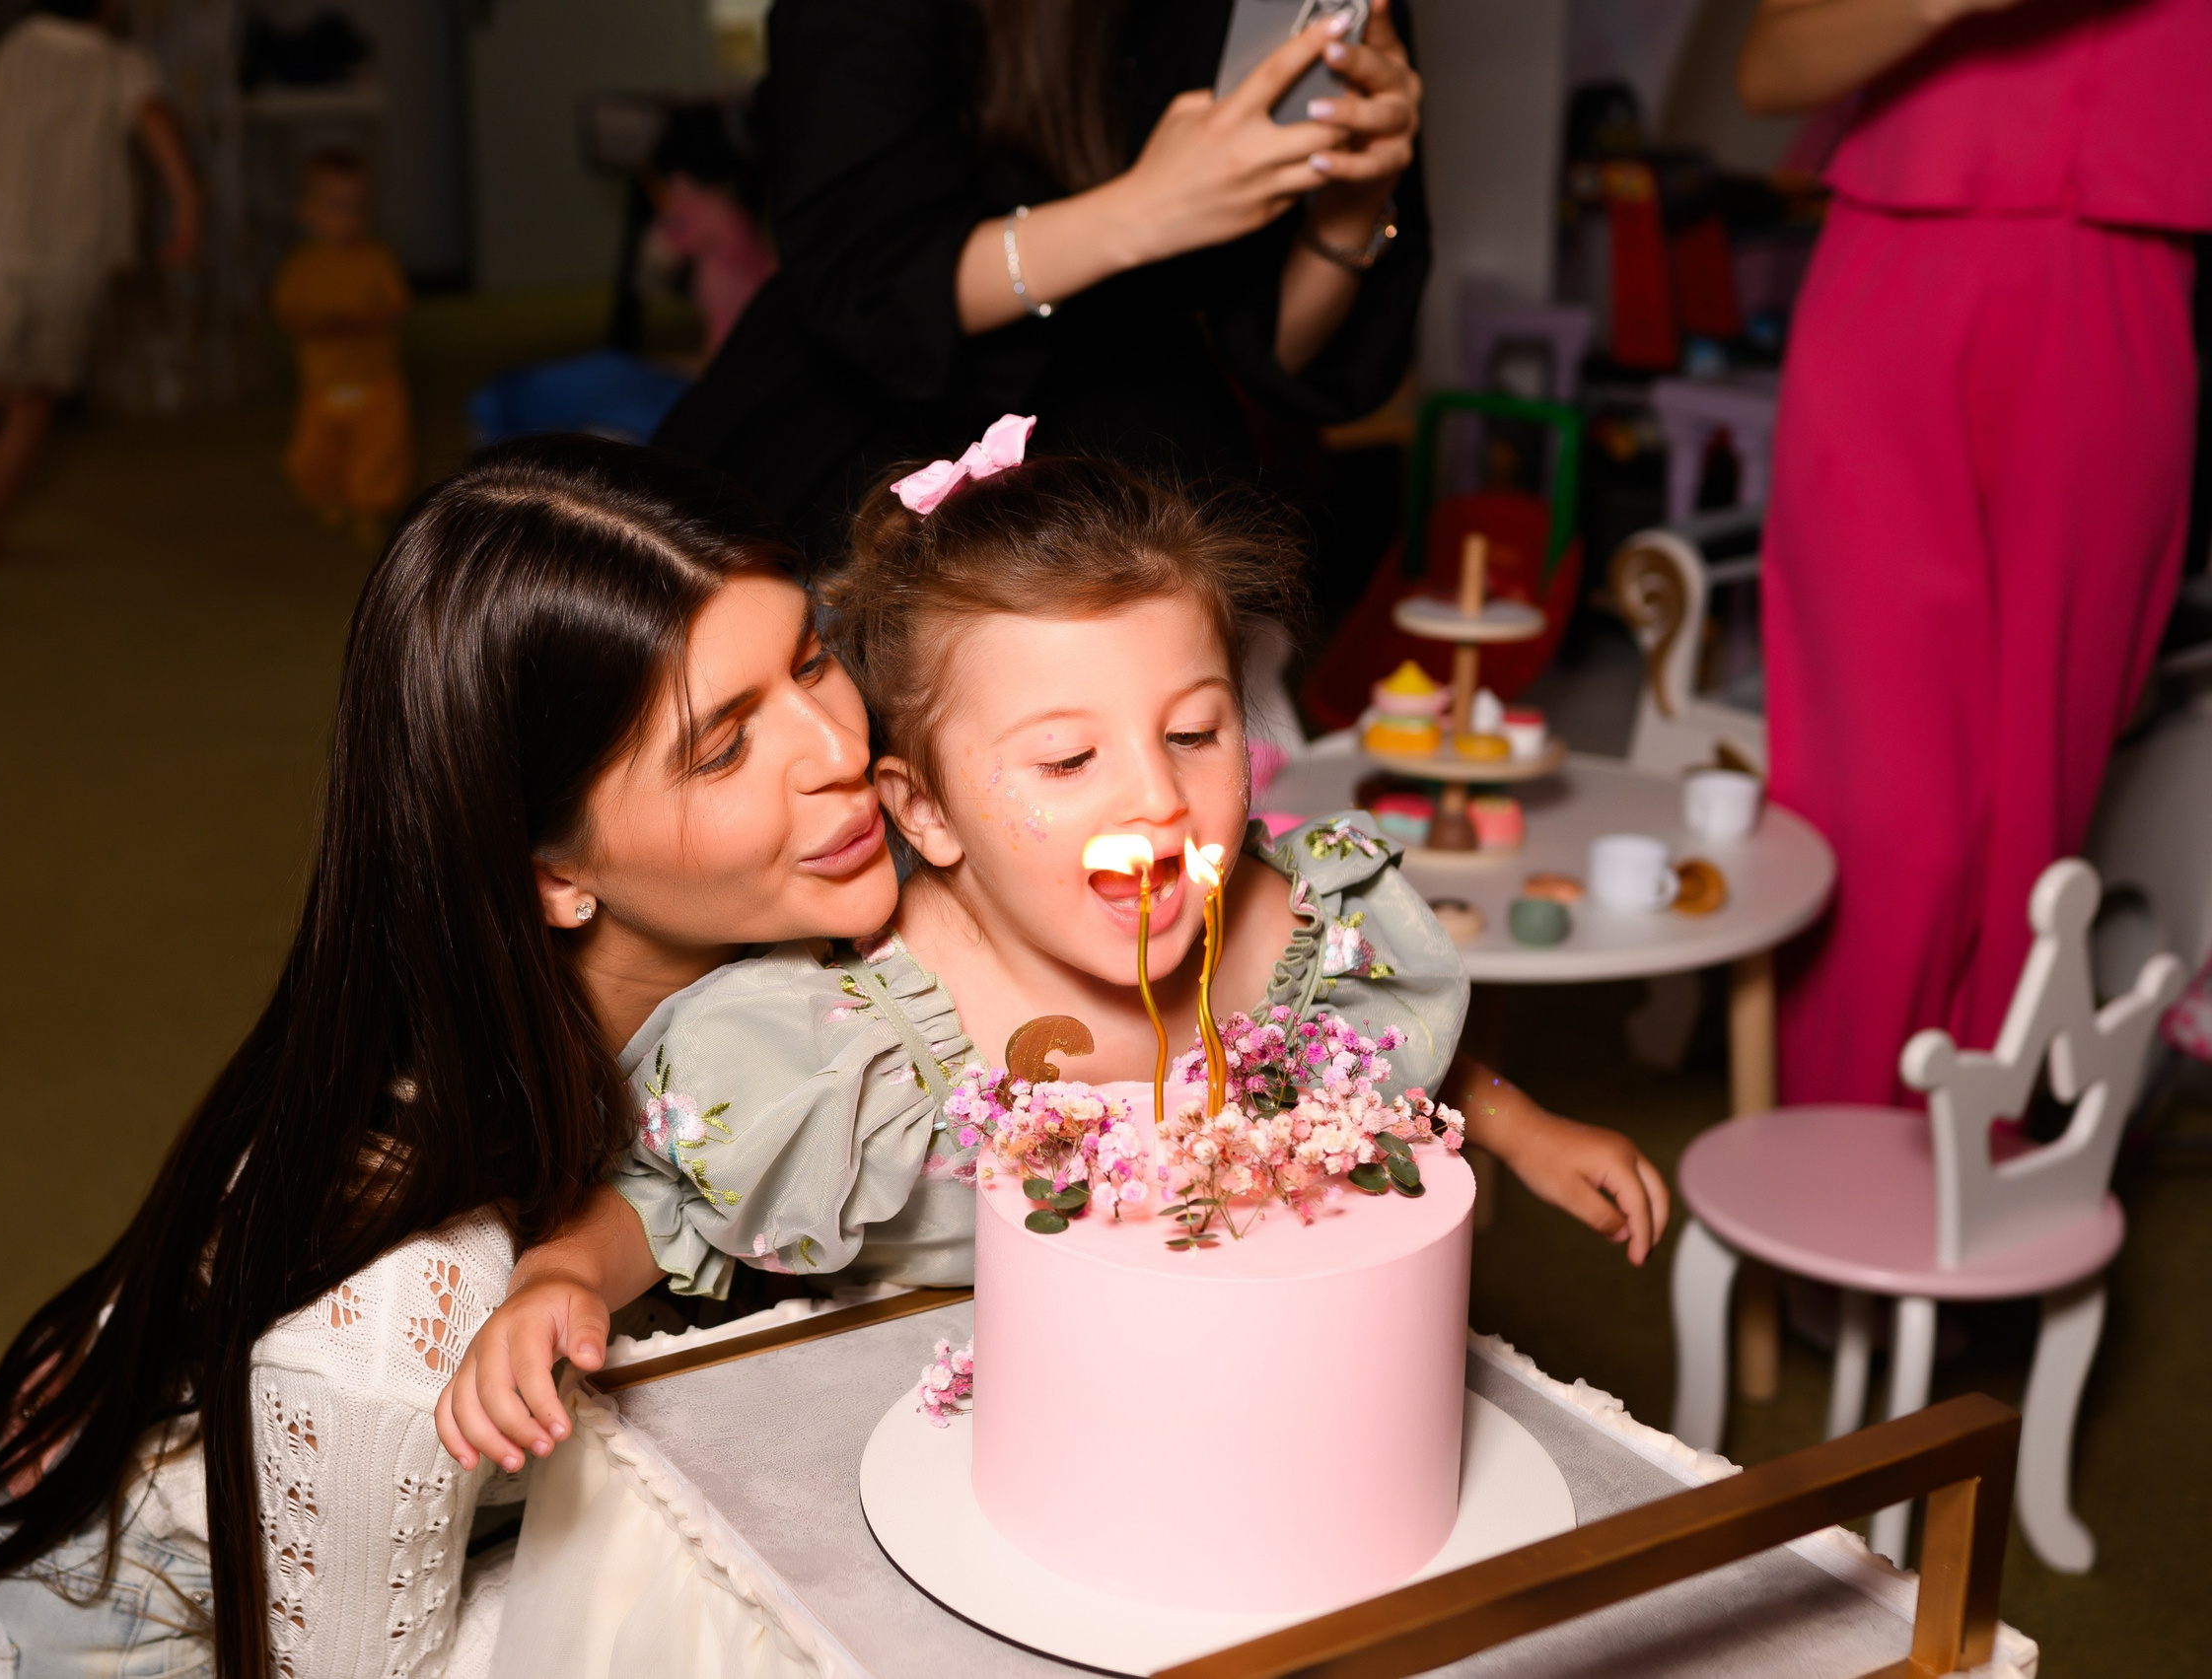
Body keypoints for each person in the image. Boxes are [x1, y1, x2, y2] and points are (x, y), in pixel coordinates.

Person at [439, 430, 1674, 1480]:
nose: (1155, 795)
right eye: (1068, 761)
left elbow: (1380, 1065)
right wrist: (563, 1273)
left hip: (1256, 1415)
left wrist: (1520, 1125)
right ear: (923, 813)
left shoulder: (1300, 930)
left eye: (1194, 730)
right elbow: (667, 1202)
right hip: (962, 1451)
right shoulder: (840, 1037)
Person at [0, 437, 900, 1678]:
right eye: (724, 746)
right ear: (553, 874)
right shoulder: (398, 1305)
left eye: (813, 657)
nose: (837, 749)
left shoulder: (778, 926)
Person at [1742, 0, 2211, 1105]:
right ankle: (1828, 1203)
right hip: (1892, 278)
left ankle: (1959, 1201)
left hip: (2123, 296)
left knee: (2030, 834)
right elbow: (1767, 66)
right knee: (1880, 821)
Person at [655, 0, 1430, 559]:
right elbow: (873, 276)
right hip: (863, 459)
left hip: (1141, 477)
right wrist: (1144, 212)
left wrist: (1352, 202)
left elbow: (1276, 354)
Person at [0, 0, 201, 610]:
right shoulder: (120, 61)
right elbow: (157, 123)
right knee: (32, 395)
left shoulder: (11, 47)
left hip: (0, 242)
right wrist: (188, 204)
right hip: (68, 255)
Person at [273, 149, 414, 547]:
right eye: (336, 206)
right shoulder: (300, 266)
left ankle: (371, 506)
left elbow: (397, 308)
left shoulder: (376, 259)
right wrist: (319, 326)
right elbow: (287, 315)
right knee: (314, 453)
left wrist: (361, 322)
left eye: (359, 206)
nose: (349, 216)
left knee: (380, 451)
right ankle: (329, 495)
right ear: (308, 211)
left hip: (376, 380)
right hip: (322, 384)